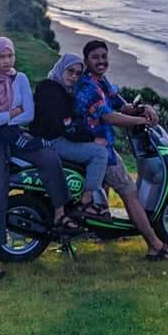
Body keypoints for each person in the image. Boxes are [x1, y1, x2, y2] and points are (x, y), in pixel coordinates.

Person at [0, 36, 80, 280]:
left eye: (10, 55)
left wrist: (5, 116)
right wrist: (13, 112)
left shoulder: (19, 79)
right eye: (2, 56)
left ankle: (61, 214)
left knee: (50, 159)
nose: (7, 61)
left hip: (16, 136)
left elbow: (28, 114)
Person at [73, 39, 168, 261]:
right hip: (97, 147)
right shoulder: (88, 87)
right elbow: (109, 116)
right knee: (129, 192)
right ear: (86, 61)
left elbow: (120, 104)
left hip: (101, 144)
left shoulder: (101, 82)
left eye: (104, 57)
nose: (101, 61)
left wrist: (143, 108)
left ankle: (103, 229)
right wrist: (137, 121)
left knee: (105, 184)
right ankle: (155, 245)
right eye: (95, 57)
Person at [31, 53, 111, 220]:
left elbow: (70, 122)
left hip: (53, 138)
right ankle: (86, 202)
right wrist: (92, 139)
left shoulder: (62, 90)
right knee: (100, 153)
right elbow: (64, 126)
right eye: (70, 71)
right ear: (61, 69)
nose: (74, 76)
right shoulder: (50, 89)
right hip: (52, 141)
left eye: (77, 73)